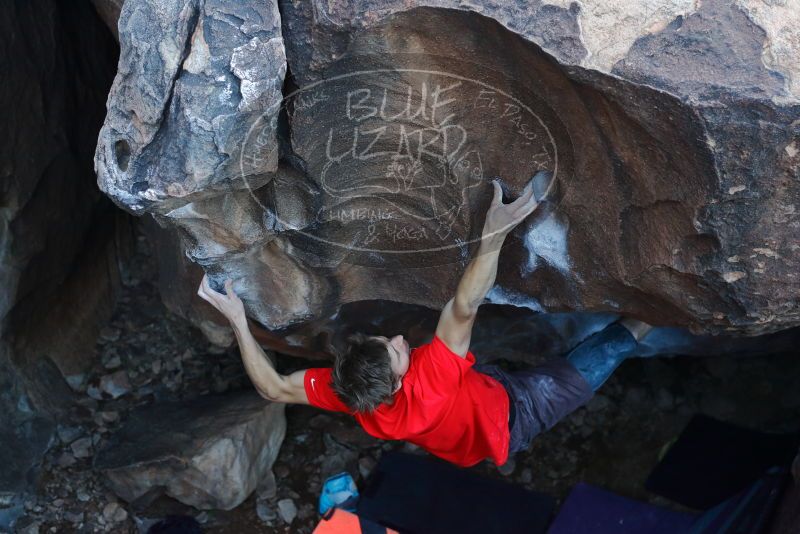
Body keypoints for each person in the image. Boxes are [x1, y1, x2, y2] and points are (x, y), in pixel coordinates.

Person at [197, 177, 652, 468]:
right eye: (398, 351)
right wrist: (493, 235)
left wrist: (239, 319)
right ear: (396, 383)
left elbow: (273, 388)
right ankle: (644, 324)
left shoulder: (353, 395)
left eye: (385, 340)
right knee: (596, 361)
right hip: (514, 417)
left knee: (486, 368)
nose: (398, 338)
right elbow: (463, 306)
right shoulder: (432, 379)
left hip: (473, 402)